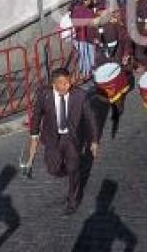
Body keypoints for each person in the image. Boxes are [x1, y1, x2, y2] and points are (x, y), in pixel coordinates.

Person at [28, 68, 98, 214]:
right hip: (52, 138)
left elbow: (90, 119)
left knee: (74, 169)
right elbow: (37, 114)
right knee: (53, 169)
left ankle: (73, 201)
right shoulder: (44, 94)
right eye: (62, 83)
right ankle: (67, 169)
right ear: (54, 84)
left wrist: (94, 140)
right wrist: (34, 133)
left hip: (72, 138)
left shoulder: (80, 95)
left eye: (68, 82)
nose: (67, 86)